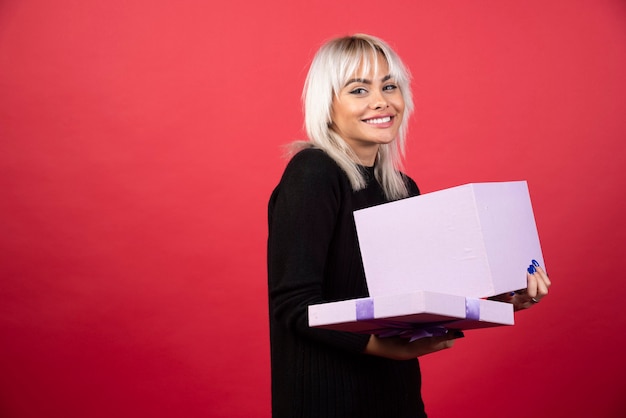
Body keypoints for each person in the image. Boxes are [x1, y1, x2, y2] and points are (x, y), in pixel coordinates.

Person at [267, 34, 550, 418]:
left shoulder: (400, 188)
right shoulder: (313, 173)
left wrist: (503, 301)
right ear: (328, 104)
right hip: (327, 401)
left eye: (389, 86)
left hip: (395, 399)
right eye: (358, 89)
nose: (381, 101)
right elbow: (295, 306)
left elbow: (419, 298)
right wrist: (383, 347)